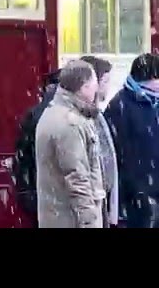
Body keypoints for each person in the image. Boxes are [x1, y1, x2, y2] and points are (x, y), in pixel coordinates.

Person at [35, 59, 105, 228]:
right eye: (94, 82)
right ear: (84, 86)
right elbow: (77, 177)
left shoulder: (53, 112)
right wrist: (89, 222)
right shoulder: (70, 123)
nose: (97, 88)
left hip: (56, 216)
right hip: (69, 219)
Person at [104, 53, 159, 228]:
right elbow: (114, 152)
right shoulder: (120, 106)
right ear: (149, 78)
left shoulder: (154, 102)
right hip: (136, 194)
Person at [13, 68, 61, 226]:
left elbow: (22, 155)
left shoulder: (33, 114)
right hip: (54, 193)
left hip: (37, 190)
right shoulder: (62, 115)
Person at [80, 55, 118, 227]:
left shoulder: (97, 115)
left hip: (101, 200)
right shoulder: (85, 118)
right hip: (92, 202)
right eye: (106, 81)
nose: (108, 87)